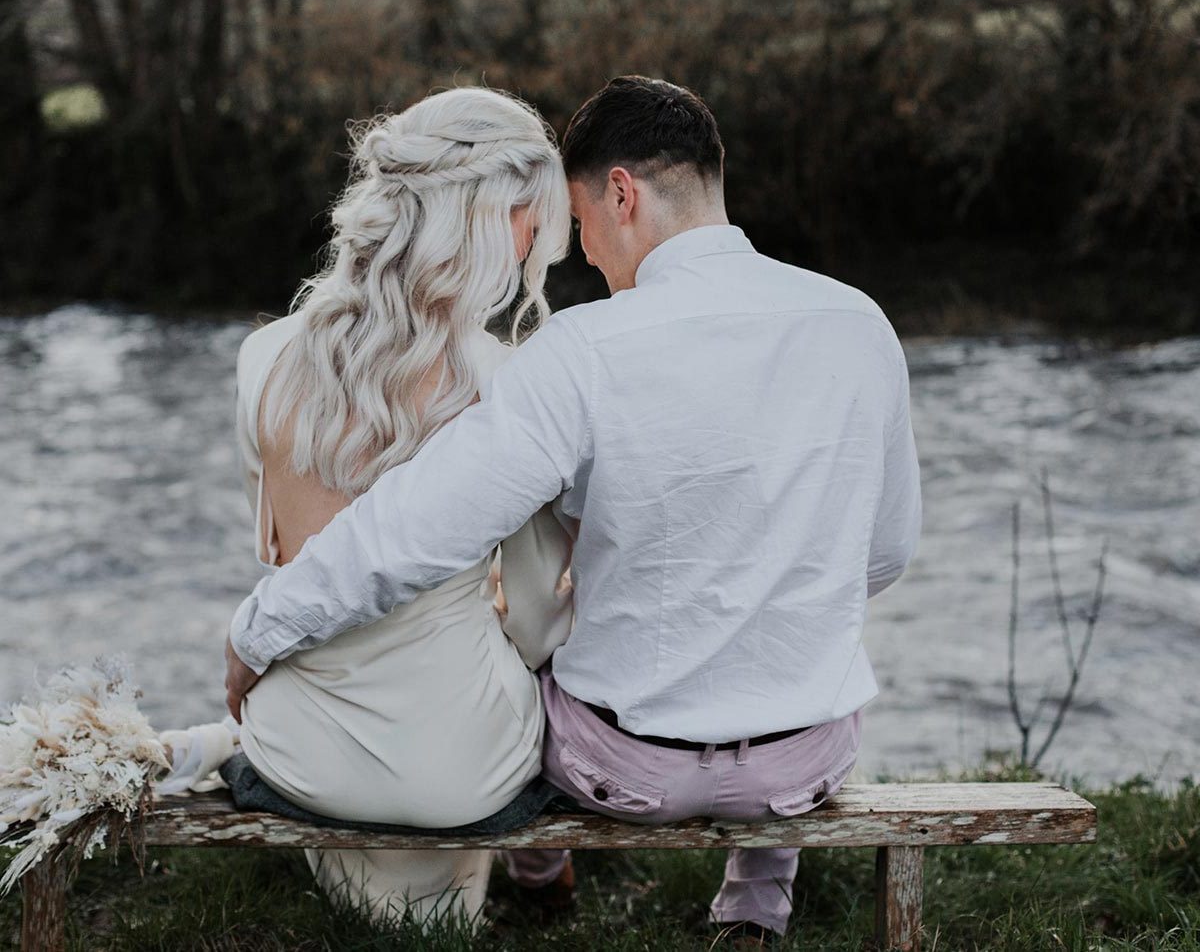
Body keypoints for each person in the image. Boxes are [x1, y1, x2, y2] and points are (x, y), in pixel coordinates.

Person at [225, 76, 922, 943]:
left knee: (542, 667)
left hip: (627, 772)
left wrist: (257, 631)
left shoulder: (584, 348)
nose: (583, 256)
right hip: (804, 763)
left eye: (582, 225)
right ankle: (756, 898)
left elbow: (413, 529)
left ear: (621, 194)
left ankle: (543, 870)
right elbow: (885, 553)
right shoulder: (858, 321)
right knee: (791, 630)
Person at [226, 87, 575, 931]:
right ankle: (535, 867)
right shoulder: (503, 382)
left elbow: (278, 554)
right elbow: (534, 620)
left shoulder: (262, 358)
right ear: (488, 218)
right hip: (464, 766)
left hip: (297, 748)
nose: (535, 245)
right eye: (531, 220)